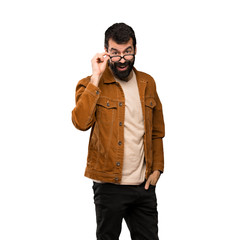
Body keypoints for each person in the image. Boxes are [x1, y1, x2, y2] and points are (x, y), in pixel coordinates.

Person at [72, 22, 165, 240]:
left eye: (127, 52)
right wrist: (96, 77)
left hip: (144, 187)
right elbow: (80, 122)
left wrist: (157, 169)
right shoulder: (89, 85)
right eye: (115, 53)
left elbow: (157, 130)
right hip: (108, 186)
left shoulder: (147, 82)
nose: (122, 59)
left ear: (135, 50)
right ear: (106, 52)